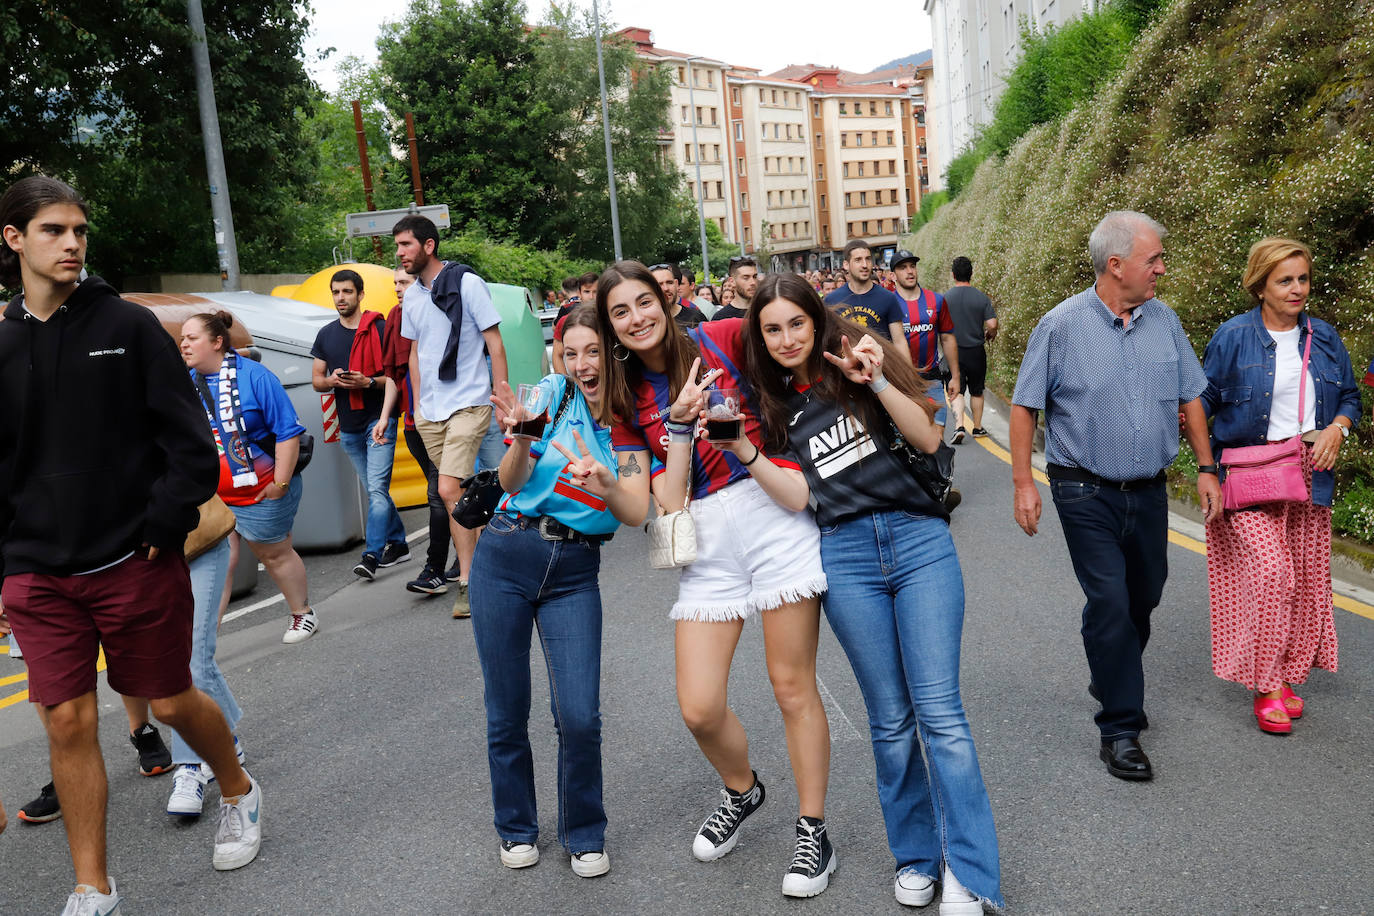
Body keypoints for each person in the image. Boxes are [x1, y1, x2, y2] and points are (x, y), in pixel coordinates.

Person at [0, 175, 261, 914]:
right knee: (66, 719)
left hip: (132, 560)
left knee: (173, 702)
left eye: (80, 229)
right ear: (14, 239)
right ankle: (94, 884)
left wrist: (161, 527)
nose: (73, 243)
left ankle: (238, 789)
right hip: (37, 572)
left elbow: (190, 447)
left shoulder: (126, 326)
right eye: (54, 230)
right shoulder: (3, 340)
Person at [741, 272, 1003, 912]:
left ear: (816, 319)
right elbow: (803, 496)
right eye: (771, 329)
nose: (785, 339)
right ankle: (915, 856)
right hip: (847, 557)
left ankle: (969, 873)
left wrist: (878, 380)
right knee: (889, 722)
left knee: (941, 716)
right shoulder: (774, 408)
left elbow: (930, 439)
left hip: (917, 542)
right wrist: (746, 451)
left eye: (795, 323)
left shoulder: (861, 358)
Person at [594, 261, 835, 898]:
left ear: (666, 299)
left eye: (644, 302)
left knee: (791, 687)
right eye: (621, 311)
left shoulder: (724, 337)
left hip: (771, 509)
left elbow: (799, 357)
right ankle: (743, 789)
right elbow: (663, 506)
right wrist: (676, 426)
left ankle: (813, 830)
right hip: (703, 537)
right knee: (699, 706)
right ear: (611, 325)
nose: (637, 318)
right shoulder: (625, 400)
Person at [1010, 210, 1223, 781]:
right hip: (1083, 488)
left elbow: (1190, 397)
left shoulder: (1165, 322)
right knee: (1108, 601)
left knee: (1143, 596)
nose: (1161, 268)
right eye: (1153, 259)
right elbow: (1025, 405)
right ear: (1116, 265)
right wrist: (1023, 483)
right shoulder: (1060, 326)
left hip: (1149, 490)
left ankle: (1110, 669)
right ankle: (1120, 728)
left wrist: (1206, 467)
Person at [470, 306, 644, 880]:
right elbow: (512, 482)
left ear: (610, 352)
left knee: (579, 714)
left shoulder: (625, 418)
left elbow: (635, 513)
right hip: (507, 550)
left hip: (575, 567)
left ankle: (584, 833)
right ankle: (517, 828)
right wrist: (520, 438)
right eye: (570, 353)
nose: (581, 364)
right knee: (507, 709)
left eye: (591, 351)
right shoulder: (551, 395)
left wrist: (608, 481)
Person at [1200, 238, 1358, 734]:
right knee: (1273, 574)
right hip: (1249, 475)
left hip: (1310, 473)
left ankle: (1286, 675)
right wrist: (1205, 468)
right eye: (1284, 280)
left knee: (1304, 581)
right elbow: (1199, 405)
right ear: (1260, 285)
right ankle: (1266, 685)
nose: (1296, 289)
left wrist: (1339, 427)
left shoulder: (1325, 337)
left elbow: (1349, 396)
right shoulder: (1232, 338)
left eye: (1302, 279)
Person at [393, 214, 508, 618]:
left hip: (470, 402)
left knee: (446, 490)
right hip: (432, 411)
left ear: (428, 246)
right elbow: (413, 352)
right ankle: (485, 568)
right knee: (457, 495)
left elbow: (493, 339)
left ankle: (466, 581)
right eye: (398, 246)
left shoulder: (466, 283)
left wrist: (501, 393)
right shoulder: (411, 297)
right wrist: (419, 403)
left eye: (406, 245)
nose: (400, 253)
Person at [181, 310, 315, 644]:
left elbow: (287, 432)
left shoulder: (255, 377)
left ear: (216, 342)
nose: (184, 344)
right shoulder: (184, 382)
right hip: (215, 494)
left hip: (262, 491)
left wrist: (279, 484)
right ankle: (203, 641)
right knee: (218, 563)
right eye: (182, 338)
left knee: (274, 555)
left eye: (192, 338)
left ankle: (303, 613)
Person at [311, 268, 409, 581]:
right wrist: (334, 380)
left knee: (377, 490)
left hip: (379, 420)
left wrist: (367, 382)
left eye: (347, 292)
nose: (341, 298)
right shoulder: (326, 334)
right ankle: (400, 542)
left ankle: (372, 553)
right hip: (348, 426)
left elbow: (393, 379)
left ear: (360, 295)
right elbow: (316, 381)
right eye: (336, 292)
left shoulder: (378, 328)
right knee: (374, 489)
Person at [891, 250, 960, 438]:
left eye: (912, 266)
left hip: (932, 380)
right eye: (903, 268)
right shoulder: (888, 303)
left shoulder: (936, 300)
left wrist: (955, 376)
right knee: (907, 441)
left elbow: (947, 338)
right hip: (901, 383)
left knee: (936, 440)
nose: (909, 271)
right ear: (893, 275)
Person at [944, 257, 998, 442]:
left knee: (957, 390)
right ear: (971, 274)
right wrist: (990, 334)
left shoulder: (945, 298)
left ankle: (959, 425)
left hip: (953, 351)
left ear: (953, 275)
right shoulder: (981, 297)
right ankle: (977, 427)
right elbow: (992, 324)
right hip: (976, 351)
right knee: (977, 390)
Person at [824, 240, 909, 354]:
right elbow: (827, 342)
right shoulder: (831, 300)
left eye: (868, 259)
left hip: (882, 368)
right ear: (846, 265)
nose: (864, 265)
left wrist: (907, 371)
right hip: (845, 369)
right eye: (858, 260)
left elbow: (899, 342)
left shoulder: (888, 298)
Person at [651, 262, 705, 327]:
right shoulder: (646, 322)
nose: (665, 288)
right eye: (659, 284)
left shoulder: (695, 317)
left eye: (669, 283)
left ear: (676, 284)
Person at [710, 257, 757, 321]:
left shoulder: (765, 311)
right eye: (746, 278)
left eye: (755, 277)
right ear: (732, 281)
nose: (753, 282)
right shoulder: (721, 318)